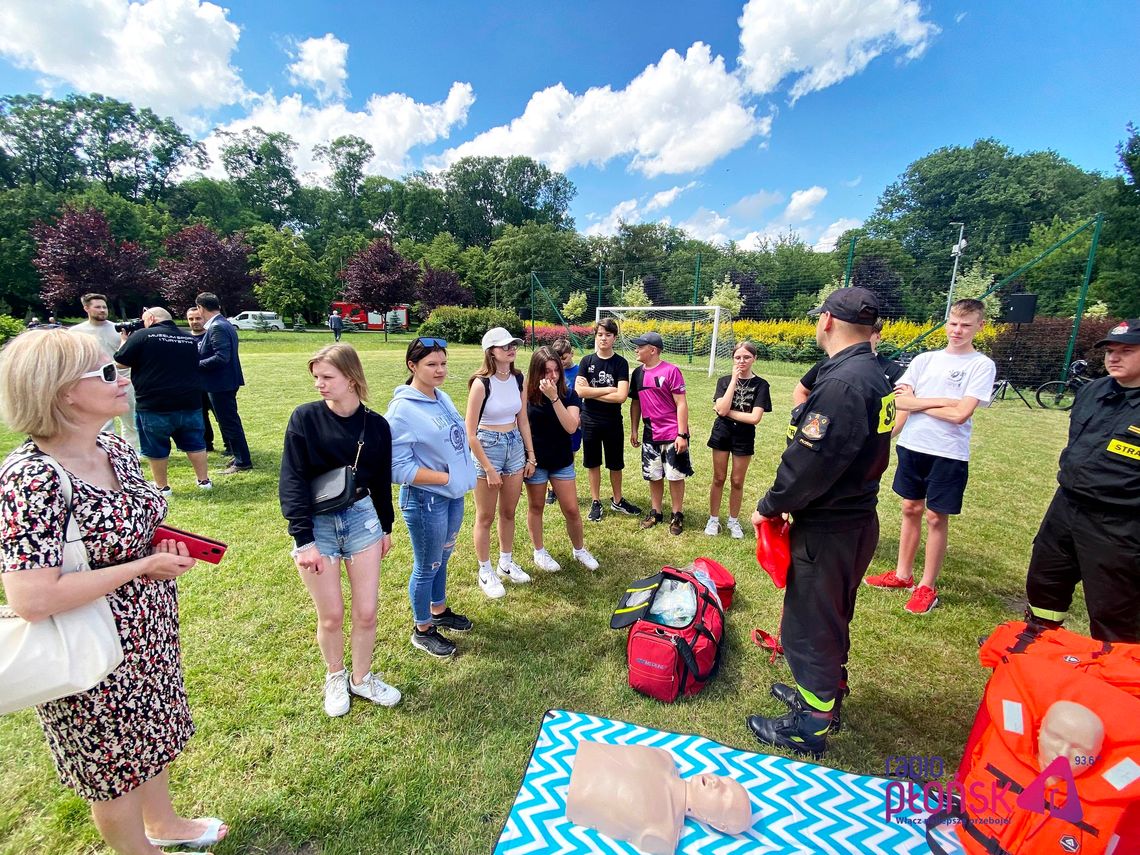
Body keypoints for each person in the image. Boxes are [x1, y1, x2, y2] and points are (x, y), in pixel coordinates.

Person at [0, 329, 226, 854]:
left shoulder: (112, 446)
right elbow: (32, 598)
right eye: (105, 373)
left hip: (146, 633)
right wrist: (141, 566)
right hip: (89, 649)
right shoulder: (31, 479)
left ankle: (165, 824)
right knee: (114, 767)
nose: (122, 376)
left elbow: (135, 525)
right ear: (61, 393)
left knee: (152, 736)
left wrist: (163, 554)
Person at [746, 287, 895, 758]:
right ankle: (825, 693)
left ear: (827, 321)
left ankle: (809, 723)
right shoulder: (871, 372)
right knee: (832, 616)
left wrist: (769, 504)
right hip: (854, 519)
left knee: (809, 624)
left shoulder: (843, 384)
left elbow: (810, 461)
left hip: (830, 527)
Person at [279, 344, 401, 715]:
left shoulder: (376, 425)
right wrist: (304, 540)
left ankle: (361, 679)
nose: (319, 384)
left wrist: (385, 527)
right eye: (315, 376)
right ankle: (335, 677)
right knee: (331, 615)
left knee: (366, 612)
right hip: (319, 525)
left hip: (363, 518)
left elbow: (381, 480)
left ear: (351, 378)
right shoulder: (305, 418)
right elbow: (293, 480)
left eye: (327, 377)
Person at [863, 298, 995, 615]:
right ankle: (902, 575)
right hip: (913, 446)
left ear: (979, 326)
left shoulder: (981, 365)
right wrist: (942, 402)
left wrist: (921, 400)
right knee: (910, 508)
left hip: (948, 453)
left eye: (966, 324)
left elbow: (962, 414)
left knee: (936, 517)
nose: (957, 330)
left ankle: (926, 586)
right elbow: (901, 404)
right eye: (953, 323)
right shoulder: (925, 360)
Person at [1024, 319, 1140, 643]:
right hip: (1066, 506)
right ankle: (1038, 643)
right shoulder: (1093, 392)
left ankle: (1114, 675)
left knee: (1113, 606)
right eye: (1110, 351)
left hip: (1118, 523)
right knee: (1045, 581)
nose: (1114, 358)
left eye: (1127, 351)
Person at [385, 337, 478, 658]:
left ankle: (439, 610)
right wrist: (447, 478)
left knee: (444, 558)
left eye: (443, 363)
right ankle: (422, 628)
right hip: (426, 501)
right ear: (412, 366)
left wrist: (460, 477)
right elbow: (396, 468)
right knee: (428, 565)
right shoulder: (402, 410)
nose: (440, 370)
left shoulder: (442, 397)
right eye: (431, 365)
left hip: (453, 496)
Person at [566, 742, 752, 855]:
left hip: (574, 795)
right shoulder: (665, 758)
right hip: (581, 752)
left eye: (725, 795)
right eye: (726, 781)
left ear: (718, 824)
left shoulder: (662, 834)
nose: (717, 783)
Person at [465, 326, 536, 599]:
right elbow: (470, 432)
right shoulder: (481, 383)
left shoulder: (518, 378)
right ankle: (485, 570)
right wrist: (489, 468)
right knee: (485, 516)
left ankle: (505, 563)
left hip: (514, 446)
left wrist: (530, 454)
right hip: (487, 449)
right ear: (490, 352)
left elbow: (523, 419)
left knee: (509, 511)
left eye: (513, 345)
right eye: (505, 346)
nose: (511, 349)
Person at [112, 307, 212, 495]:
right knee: (196, 443)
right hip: (189, 401)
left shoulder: (142, 336)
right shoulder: (189, 338)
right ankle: (204, 481)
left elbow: (120, 361)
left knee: (156, 446)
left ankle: (162, 487)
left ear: (150, 318)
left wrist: (124, 341)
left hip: (154, 403)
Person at [522, 346, 599, 573]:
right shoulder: (525, 394)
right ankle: (539, 552)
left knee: (572, 509)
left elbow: (571, 426)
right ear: (536, 372)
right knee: (536, 506)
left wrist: (554, 398)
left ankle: (579, 549)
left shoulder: (569, 394)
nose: (552, 376)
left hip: (561, 460)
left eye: (556, 370)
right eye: (546, 371)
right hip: (535, 461)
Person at [575, 319, 642, 522]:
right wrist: (607, 389)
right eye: (600, 335)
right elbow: (579, 391)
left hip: (612, 421)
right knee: (592, 462)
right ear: (595, 336)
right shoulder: (586, 361)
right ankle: (596, 502)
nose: (603, 338)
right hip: (590, 420)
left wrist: (591, 392)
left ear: (614, 337)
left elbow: (621, 397)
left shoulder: (620, 363)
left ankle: (618, 499)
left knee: (615, 464)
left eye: (608, 335)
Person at [705, 341, 771, 539]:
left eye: (746, 357)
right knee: (718, 478)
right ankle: (713, 519)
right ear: (733, 359)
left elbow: (754, 418)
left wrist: (724, 411)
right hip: (722, 432)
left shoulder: (761, 385)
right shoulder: (724, 381)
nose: (742, 361)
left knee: (737, 481)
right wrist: (734, 380)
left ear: (754, 359)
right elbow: (722, 408)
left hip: (744, 436)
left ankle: (733, 520)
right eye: (738, 357)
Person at [629, 332, 691, 535]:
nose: (636, 350)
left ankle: (677, 514)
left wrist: (682, 434)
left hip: (672, 433)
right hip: (650, 434)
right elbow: (635, 403)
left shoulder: (672, 371)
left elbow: (681, 403)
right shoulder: (637, 374)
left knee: (674, 475)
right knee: (653, 475)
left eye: (640, 346)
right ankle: (656, 512)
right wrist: (634, 429)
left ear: (653, 350)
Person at [69, 292, 140, 452]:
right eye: (97, 307)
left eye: (104, 307)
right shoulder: (76, 332)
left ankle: (132, 452)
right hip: (95, 382)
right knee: (103, 421)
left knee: (130, 420)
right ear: (86, 308)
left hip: (123, 379)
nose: (102, 310)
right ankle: (107, 451)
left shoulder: (119, 329)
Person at [195, 292, 253, 474]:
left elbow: (222, 357)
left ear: (200, 308)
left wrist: (194, 365)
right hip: (224, 382)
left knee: (229, 422)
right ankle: (238, 456)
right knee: (229, 421)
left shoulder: (217, 326)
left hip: (220, 383)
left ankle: (243, 461)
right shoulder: (223, 324)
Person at [793, 318, 904, 406]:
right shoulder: (829, 362)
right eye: (858, 332)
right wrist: (803, 419)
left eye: (867, 334)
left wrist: (882, 435)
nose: (861, 338)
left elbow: (903, 409)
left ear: (878, 337)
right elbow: (801, 391)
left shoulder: (893, 370)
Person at [546, 338, 580, 506]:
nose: (561, 363)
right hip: (552, 422)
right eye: (558, 359)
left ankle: (564, 487)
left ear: (572, 354)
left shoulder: (579, 371)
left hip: (572, 419)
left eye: (564, 358)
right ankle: (552, 490)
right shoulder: (551, 372)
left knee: (569, 455)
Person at [186, 307, 223, 454]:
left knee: (221, 415)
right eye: (191, 319)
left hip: (213, 383)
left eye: (197, 318)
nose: (195, 322)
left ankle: (230, 445)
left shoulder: (212, 335)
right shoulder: (185, 339)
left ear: (203, 318)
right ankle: (207, 444)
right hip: (195, 385)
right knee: (200, 416)